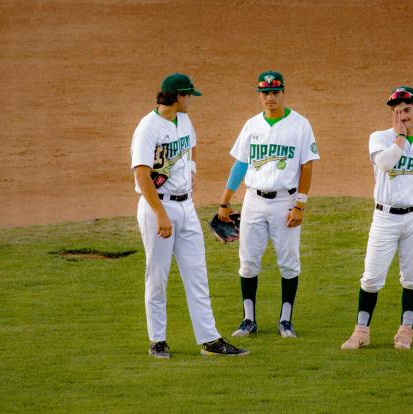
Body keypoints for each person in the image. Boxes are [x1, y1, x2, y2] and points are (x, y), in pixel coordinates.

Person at [130, 73, 248, 358]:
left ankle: (209, 339)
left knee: (197, 275)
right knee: (157, 276)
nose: (191, 101)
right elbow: (142, 174)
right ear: (179, 96)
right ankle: (157, 341)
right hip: (158, 207)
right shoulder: (147, 128)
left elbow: (192, 144)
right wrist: (160, 215)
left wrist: (192, 170)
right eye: (189, 96)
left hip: (186, 207)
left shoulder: (183, 121)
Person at [341, 86, 413, 351]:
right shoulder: (379, 138)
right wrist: (399, 137)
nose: (402, 115)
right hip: (384, 218)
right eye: (397, 111)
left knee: (412, 278)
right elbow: (387, 163)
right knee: (371, 277)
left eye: (407, 110)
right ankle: (361, 331)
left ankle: (405, 331)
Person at [217, 70, 320, 338]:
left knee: (288, 262)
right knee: (248, 261)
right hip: (253, 200)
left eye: (275, 92)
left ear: (283, 93)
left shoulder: (300, 125)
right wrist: (225, 202)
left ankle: (285, 321)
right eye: (265, 93)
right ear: (260, 95)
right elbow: (240, 164)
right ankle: (248, 320)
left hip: (285, 201)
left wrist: (300, 204)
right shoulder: (251, 125)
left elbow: (307, 166)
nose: (270, 97)